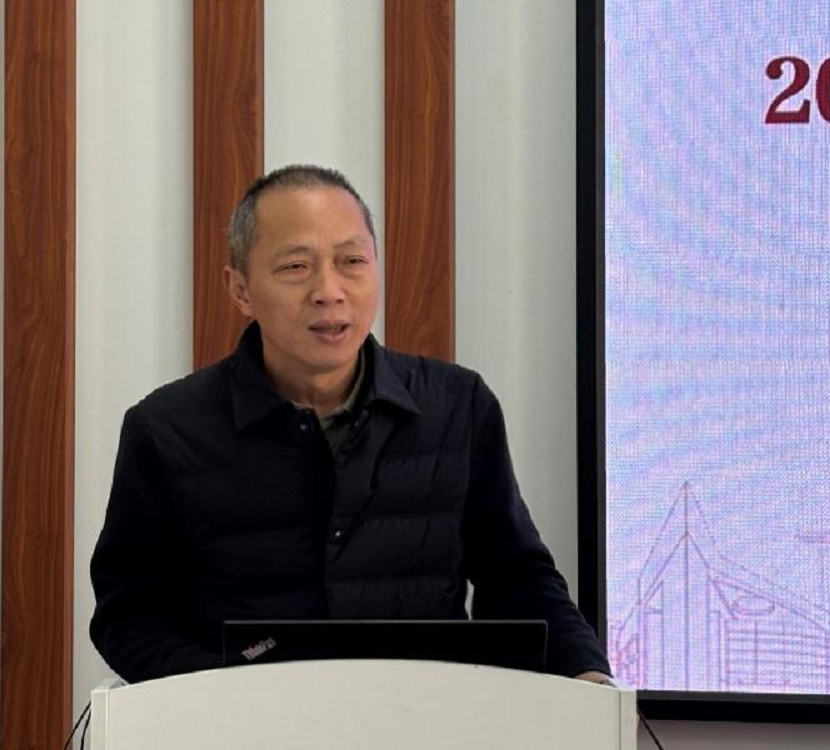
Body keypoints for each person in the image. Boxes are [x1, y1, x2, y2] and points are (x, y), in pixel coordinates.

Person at [89, 164, 611, 685]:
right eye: (296, 266)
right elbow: (130, 615)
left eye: (352, 261)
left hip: (427, 714)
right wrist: (226, 698)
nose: (329, 290)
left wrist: (586, 673)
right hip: (241, 721)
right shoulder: (166, 430)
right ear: (241, 289)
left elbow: (517, 579)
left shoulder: (458, 407)